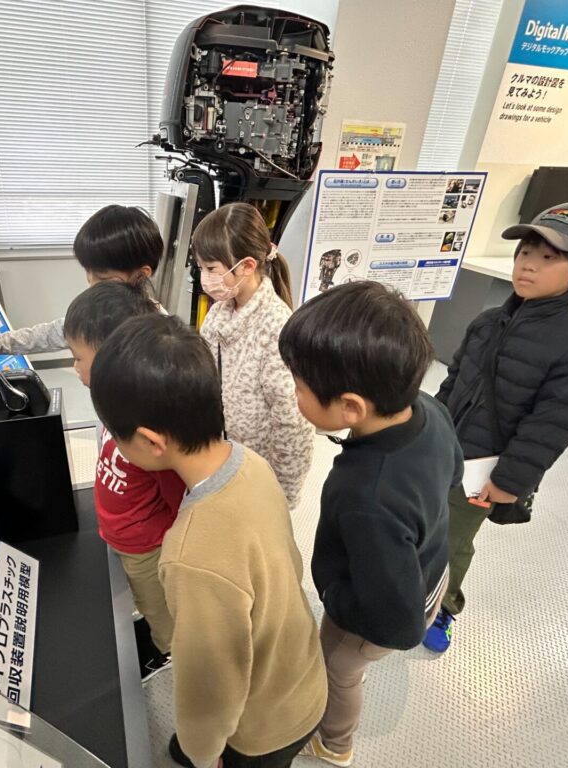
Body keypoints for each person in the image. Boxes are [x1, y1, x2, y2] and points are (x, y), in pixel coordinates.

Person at [90, 314, 326, 768]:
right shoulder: (251, 462)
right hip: (303, 675)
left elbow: (211, 686)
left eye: (116, 435)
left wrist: (203, 754)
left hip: (263, 727)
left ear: (151, 442)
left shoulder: (189, 555)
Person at [278, 282, 462, 767]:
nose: (294, 394)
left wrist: (334, 596)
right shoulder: (428, 408)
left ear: (351, 408)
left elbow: (397, 626)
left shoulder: (365, 494)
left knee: (339, 670)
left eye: (299, 387)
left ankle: (334, 743)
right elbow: (454, 474)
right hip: (430, 574)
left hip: (372, 616)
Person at [424, 201, 568, 653]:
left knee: (452, 539)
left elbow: (553, 425)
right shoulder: (487, 321)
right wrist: (428, 431)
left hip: (484, 469)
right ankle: (409, 585)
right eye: (525, 252)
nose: (528, 264)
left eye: (548, 257)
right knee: (419, 522)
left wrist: (510, 481)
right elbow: (453, 381)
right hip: (442, 450)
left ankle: (444, 605)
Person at [62, 280, 184, 681]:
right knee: (143, 597)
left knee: (157, 605)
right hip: (122, 532)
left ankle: (169, 650)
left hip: (146, 546)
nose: (74, 368)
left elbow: (180, 501)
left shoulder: (150, 431)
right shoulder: (112, 405)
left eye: (79, 358)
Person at [193, 202, 314, 508]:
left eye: (211, 269)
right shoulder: (219, 313)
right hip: (223, 454)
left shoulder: (276, 327)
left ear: (246, 266)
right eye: (200, 267)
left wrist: (284, 493)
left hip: (258, 470)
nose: (204, 277)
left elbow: (293, 422)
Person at [0, 205, 163, 354]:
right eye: (88, 272)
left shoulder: (159, 328)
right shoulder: (92, 313)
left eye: (102, 277)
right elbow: (48, 334)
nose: (91, 282)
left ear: (142, 274)